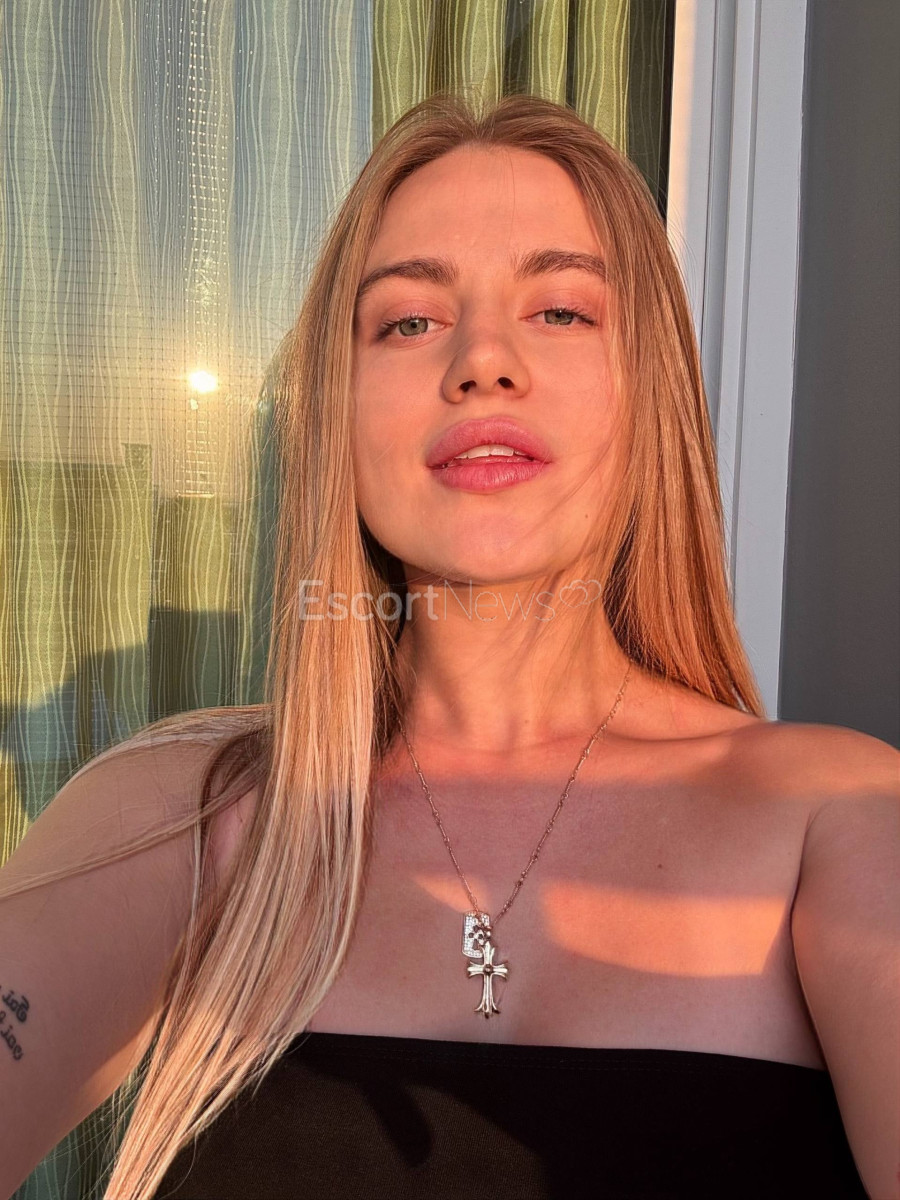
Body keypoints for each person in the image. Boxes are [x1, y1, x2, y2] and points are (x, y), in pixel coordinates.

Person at [0, 93, 897, 1200]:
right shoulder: (181, 820)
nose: (482, 361)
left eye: (561, 310)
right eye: (409, 322)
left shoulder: (839, 822)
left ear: (651, 394)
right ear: (337, 415)